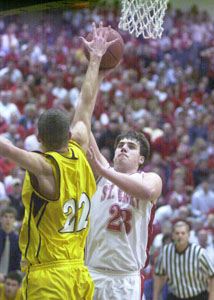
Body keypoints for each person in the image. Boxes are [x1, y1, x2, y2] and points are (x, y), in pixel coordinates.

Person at [0, 22, 118, 300]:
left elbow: (7, 149)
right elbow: (85, 104)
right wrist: (97, 63)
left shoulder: (44, 167)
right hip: (79, 273)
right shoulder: (79, 143)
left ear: (39, 139)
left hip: (47, 278)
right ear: (68, 133)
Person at [85, 80, 162, 300]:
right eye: (120, 145)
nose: (123, 148)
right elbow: (82, 124)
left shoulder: (150, 178)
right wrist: (98, 73)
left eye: (131, 146)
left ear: (141, 159)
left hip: (126, 278)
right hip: (93, 271)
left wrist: (105, 171)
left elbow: (147, 193)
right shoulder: (102, 171)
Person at [153, 220, 214, 300]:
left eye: (183, 233)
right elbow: (159, 275)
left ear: (188, 235)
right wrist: (155, 297)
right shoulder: (165, 252)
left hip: (198, 296)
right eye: (177, 233)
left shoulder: (198, 252)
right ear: (173, 236)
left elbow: (212, 276)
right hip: (175, 296)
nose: (180, 236)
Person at [0, 207, 21, 283]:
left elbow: (18, 263)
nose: (8, 220)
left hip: (10, 279)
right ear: (1, 219)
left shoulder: (18, 240)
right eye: (5, 217)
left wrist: (9, 277)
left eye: (11, 217)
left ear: (14, 220)